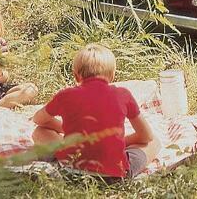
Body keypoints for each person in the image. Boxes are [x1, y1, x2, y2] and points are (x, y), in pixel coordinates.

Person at [31, 44, 160, 180]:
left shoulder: (65, 95)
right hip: (114, 175)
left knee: (39, 132)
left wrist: (69, 130)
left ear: (75, 75)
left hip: (70, 171)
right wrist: (121, 141)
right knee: (154, 142)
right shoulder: (123, 94)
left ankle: (57, 158)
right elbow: (147, 136)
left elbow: (38, 120)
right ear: (113, 75)